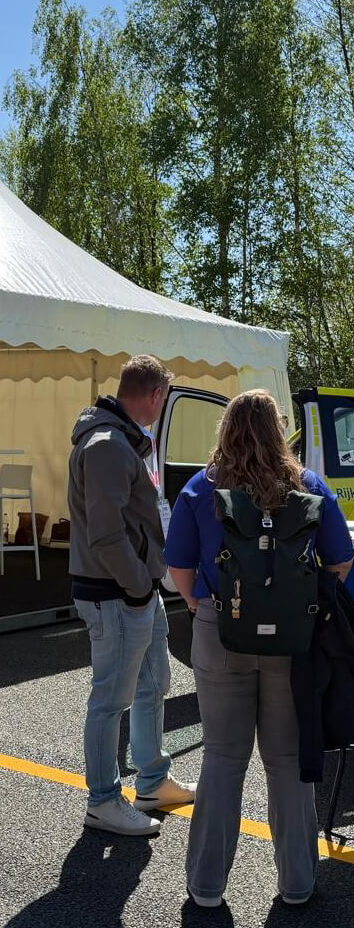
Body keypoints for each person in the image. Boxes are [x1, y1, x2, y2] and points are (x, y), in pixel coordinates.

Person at [164, 390, 354, 908]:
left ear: (226, 430)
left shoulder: (201, 490)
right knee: (288, 762)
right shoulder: (309, 487)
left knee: (223, 758)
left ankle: (205, 888)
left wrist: (202, 605)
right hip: (293, 642)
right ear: (279, 432)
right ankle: (297, 883)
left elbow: (178, 566)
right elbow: (340, 561)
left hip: (221, 628)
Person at [68, 354, 195, 837]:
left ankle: (152, 780)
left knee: (151, 684)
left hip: (131, 591)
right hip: (117, 593)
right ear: (157, 394)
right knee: (110, 700)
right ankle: (102, 800)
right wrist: (141, 586)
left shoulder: (116, 439)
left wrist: (145, 584)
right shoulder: (107, 445)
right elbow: (105, 534)